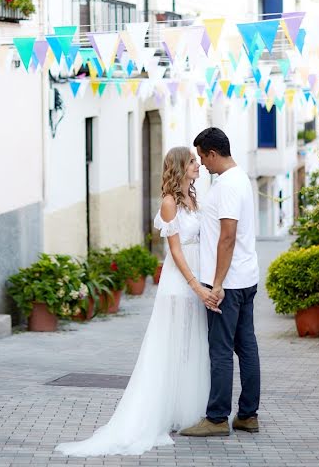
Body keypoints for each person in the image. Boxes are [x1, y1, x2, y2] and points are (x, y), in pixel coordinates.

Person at [55, 147, 213, 456]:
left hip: (199, 276)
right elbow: (176, 252)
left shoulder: (195, 198)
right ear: (180, 167)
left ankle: (187, 412)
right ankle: (156, 413)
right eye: (193, 161)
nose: (198, 165)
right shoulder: (169, 204)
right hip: (180, 281)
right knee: (171, 346)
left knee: (193, 345)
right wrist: (194, 284)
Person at [180, 127, 261, 437]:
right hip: (245, 276)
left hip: (229, 283)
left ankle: (216, 419)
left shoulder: (227, 185)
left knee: (221, 350)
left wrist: (216, 283)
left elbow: (227, 237)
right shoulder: (239, 178)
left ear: (213, 154)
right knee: (247, 347)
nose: (201, 163)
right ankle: (248, 415)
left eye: (202, 157)